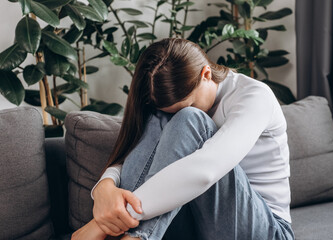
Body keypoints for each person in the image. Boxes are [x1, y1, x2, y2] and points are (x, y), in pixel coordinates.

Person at [71, 38, 295, 240]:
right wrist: (104, 187)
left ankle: (137, 238)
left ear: (206, 74)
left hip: (268, 229)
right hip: (198, 223)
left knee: (189, 119)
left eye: (190, 102)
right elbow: (139, 155)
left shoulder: (254, 96)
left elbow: (205, 170)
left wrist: (101, 224)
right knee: (159, 118)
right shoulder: (167, 108)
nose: (177, 116)